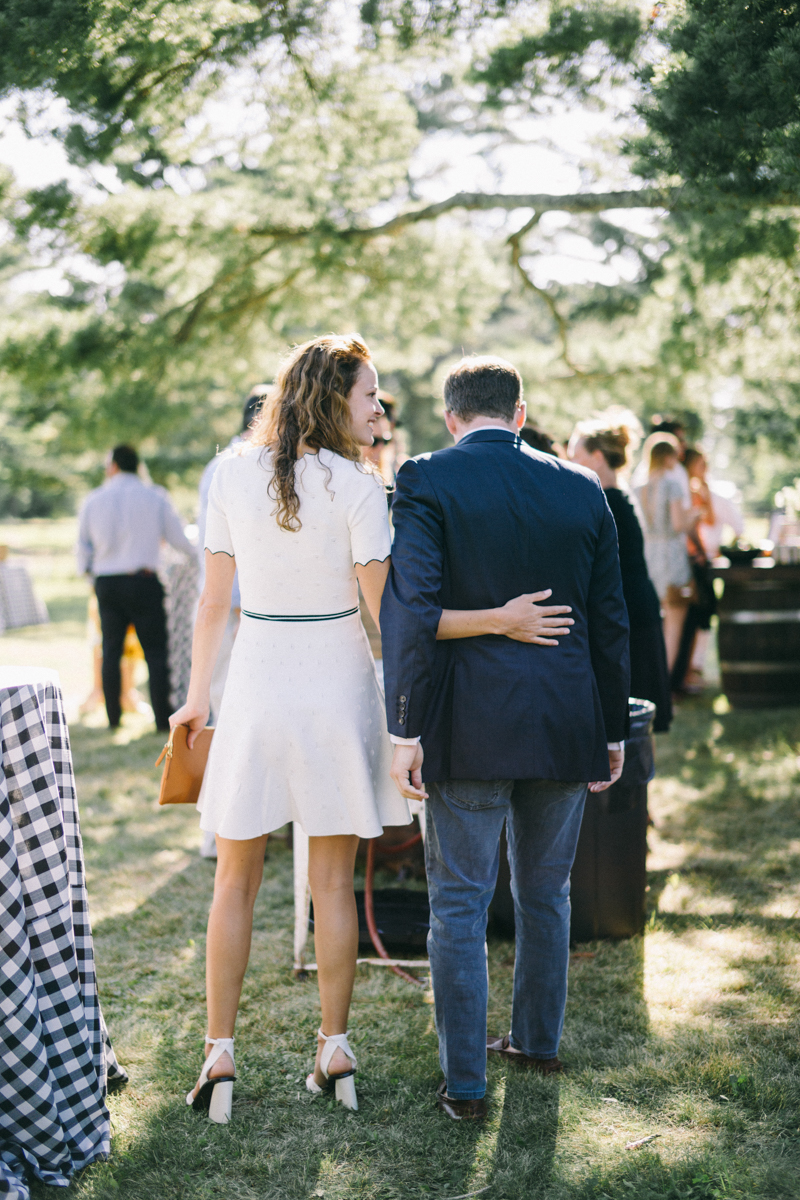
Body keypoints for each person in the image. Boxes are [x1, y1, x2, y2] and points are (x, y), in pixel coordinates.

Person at [169, 334, 573, 1124]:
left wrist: (194, 700)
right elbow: (399, 619)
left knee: (234, 880)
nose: (379, 409)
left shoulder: (231, 471)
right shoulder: (358, 486)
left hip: (254, 680)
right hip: (334, 682)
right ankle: (334, 1046)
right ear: (332, 398)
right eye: (370, 396)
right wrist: (499, 621)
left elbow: (213, 603)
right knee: (329, 883)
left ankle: (219, 1054)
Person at [381, 355, 630, 1121]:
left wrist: (404, 727)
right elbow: (609, 618)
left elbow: (411, 611)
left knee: (457, 903)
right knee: (546, 893)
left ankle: (465, 1085)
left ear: (453, 416)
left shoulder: (425, 480)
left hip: (469, 723)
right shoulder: (582, 487)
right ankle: (536, 1042)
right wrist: (612, 728)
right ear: (520, 413)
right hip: (565, 720)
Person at [76, 444, 195, 731]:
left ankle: (113, 717)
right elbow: (179, 540)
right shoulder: (155, 497)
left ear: (113, 465)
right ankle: (161, 719)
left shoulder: (93, 500)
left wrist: (91, 576)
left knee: (111, 650)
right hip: (144, 581)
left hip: (108, 582)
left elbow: (82, 547)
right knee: (155, 652)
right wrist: (199, 558)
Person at [569, 414, 672, 732]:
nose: (569, 464)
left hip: (628, 610)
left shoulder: (608, 501)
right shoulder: (618, 495)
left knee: (630, 716)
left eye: (576, 457)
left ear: (597, 458)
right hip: (634, 603)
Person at [671, 448, 744, 692]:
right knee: (694, 615)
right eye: (701, 464)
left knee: (702, 615)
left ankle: (694, 668)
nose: (705, 469)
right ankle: (687, 671)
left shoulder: (702, 492)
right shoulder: (682, 491)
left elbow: (711, 520)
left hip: (701, 560)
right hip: (691, 561)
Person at [634, 432, 704, 674]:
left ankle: (652, 682)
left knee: (656, 624)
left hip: (649, 556)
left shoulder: (639, 486)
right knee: (673, 627)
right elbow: (677, 525)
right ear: (668, 456)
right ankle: (664, 686)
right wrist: (694, 515)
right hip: (671, 558)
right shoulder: (672, 484)